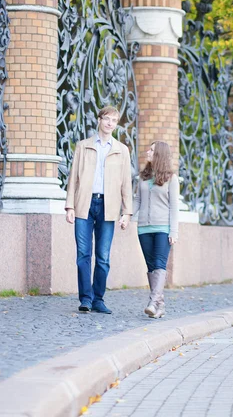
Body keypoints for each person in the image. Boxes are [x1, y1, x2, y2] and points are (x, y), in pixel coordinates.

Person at [65, 105, 133, 314]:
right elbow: (73, 178)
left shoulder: (121, 150)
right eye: (106, 119)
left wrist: (127, 212)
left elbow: (126, 183)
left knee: (103, 257)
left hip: (108, 206)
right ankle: (86, 299)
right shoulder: (83, 146)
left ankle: (98, 299)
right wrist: (70, 206)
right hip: (84, 205)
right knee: (83, 255)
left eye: (114, 120)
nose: (110, 123)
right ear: (99, 120)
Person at [133, 141, 179, 319]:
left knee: (159, 264)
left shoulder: (171, 178)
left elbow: (174, 207)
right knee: (151, 266)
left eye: (151, 150)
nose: (147, 152)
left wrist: (173, 231)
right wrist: (127, 215)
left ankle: (153, 302)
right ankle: (160, 306)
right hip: (144, 228)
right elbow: (137, 200)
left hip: (163, 228)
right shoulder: (143, 177)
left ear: (159, 154)